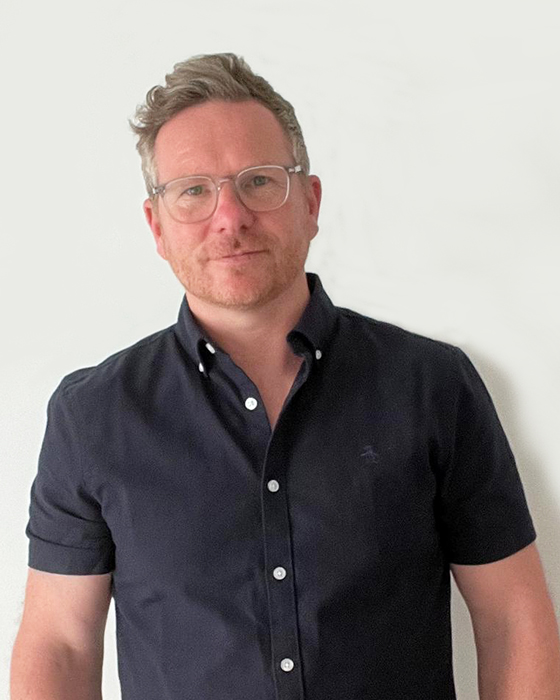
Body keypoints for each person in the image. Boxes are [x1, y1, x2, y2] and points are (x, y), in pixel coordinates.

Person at [10, 53, 560, 700]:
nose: (230, 217)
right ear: (157, 226)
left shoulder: (434, 387)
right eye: (193, 190)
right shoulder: (93, 415)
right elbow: (60, 645)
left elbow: (513, 619)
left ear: (311, 200)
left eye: (259, 181)